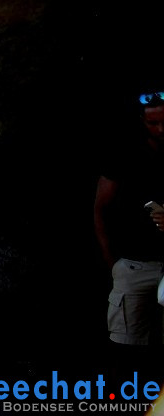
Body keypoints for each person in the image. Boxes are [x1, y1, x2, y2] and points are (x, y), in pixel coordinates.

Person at [94, 90, 164, 348]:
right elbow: (101, 208)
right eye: (153, 123)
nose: (161, 130)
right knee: (126, 347)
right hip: (134, 266)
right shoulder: (124, 155)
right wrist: (113, 263)